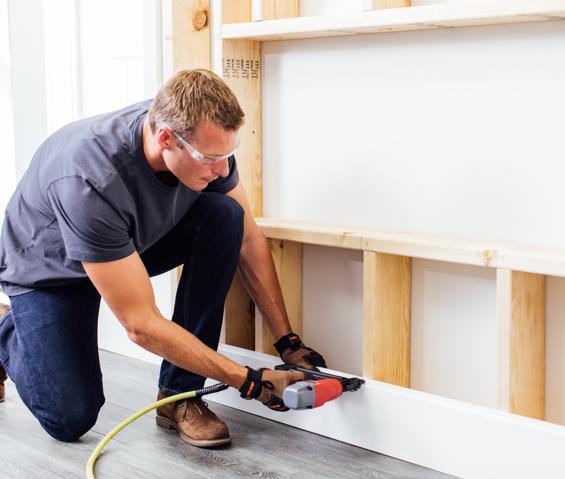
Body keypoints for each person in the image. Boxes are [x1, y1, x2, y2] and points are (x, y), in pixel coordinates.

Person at [0, 69, 327, 448]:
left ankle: (179, 397)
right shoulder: (89, 182)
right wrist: (249, 381)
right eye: (210, 158)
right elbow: (140, 325)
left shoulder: (197, 136)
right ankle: (6, 329)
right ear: (166, 138)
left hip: (122, 245)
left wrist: (286, 340)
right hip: (50, 272)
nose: (223, 170)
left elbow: (249, 239)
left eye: (228, 155)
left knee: (225, 217)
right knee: (69, 417)